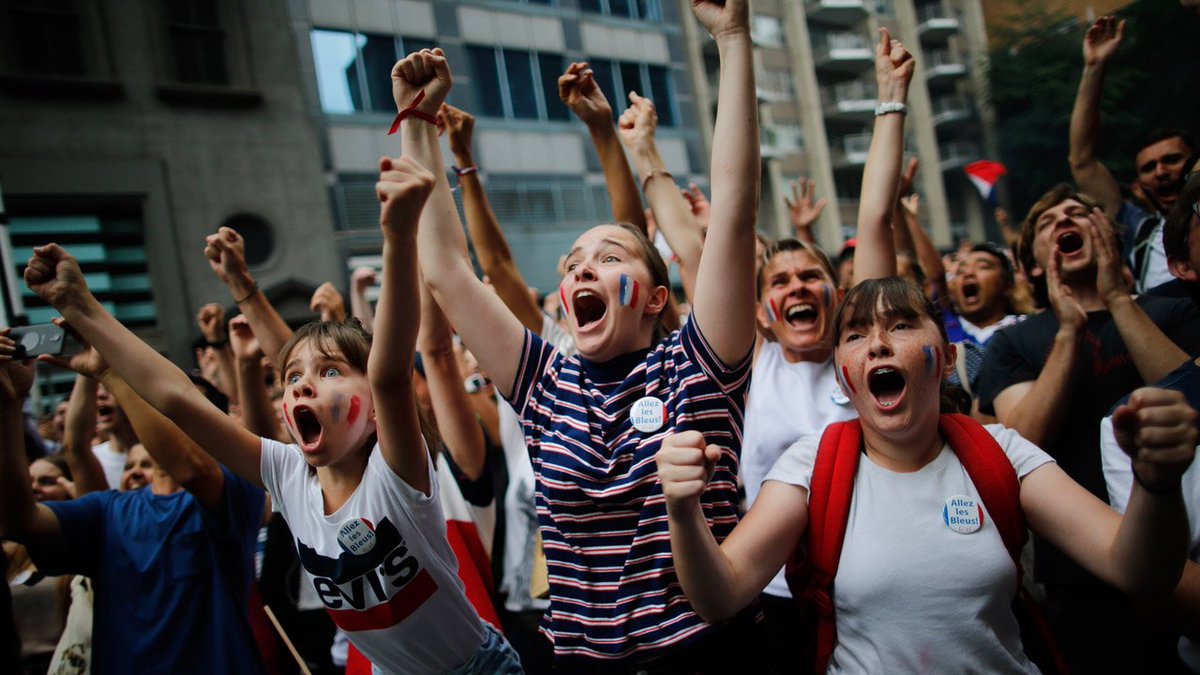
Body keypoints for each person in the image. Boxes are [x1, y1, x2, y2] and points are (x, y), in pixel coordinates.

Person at [19, 154, 520, 672]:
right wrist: (84, 307)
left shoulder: (397, 473)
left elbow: (390, 370)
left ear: (375, 410)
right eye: (292, 377)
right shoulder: (284, 475)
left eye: (329, 372)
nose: (303, 383)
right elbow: (178, 399)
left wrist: (396, 236)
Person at [407, 0, 761, 666]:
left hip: (702, 654)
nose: (582, 270)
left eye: (609, 256)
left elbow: (736, 209)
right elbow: (449, 271)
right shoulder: (544, 382)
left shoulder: (699, 365)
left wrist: (733, 39)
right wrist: (418, 122)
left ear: (657, 296)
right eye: (572, 265)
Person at [659, 276, 1197, 673]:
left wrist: (1157, 483)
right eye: (856, 333)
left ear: (943, 358)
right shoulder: (811, 463)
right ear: (844, 378)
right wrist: (682, 511)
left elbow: (1138, 570)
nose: (877, 344)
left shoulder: (1000, 452)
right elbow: (720, 596)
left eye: (900, 325)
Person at [735, 26, 914, 671]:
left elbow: (874, 220)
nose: (796, 287)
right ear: (761, 311)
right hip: (773, 595)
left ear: (837, 295)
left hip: (877, 583)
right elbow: (715, 237)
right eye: (779, 282)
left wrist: (890, 99)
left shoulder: (863, 359)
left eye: (809, 275)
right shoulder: (745, 369)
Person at [977, 184, 1200, 671]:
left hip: (1190, 570)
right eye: (1047, 221)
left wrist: (1118, 300)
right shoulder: (1012, 343)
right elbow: (1022, 440)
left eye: (1078, 213)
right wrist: (1068, 331)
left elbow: (1194, 393)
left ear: (1108, 237)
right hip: (1079, 582)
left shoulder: (1175, 310)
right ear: (1033, 264)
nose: (1064, 220)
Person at [0, 334, 266, 674]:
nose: (166, 410)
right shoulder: (107, 511)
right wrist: (8, 403)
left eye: (184, 408)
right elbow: (18, 521)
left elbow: (191, 469)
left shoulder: (236, 490)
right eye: (161, 402)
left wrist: (111, 372)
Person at [1069, 15, 1196, 291]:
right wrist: (1094, 66)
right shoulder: (1139, 233)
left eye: (1172, 160)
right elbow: (1082, 161)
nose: (1161, 173)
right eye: (1148, 168)